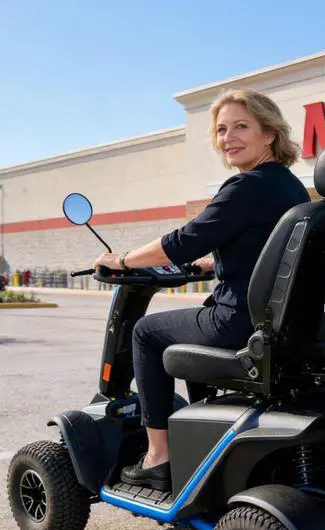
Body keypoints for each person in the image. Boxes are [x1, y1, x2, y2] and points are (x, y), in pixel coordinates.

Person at [92, 89, 310, 490]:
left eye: (241, 126)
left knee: (145, 332)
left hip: (239, 322)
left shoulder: (247, 186)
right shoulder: (291, 189)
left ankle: (158, 457)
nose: (228, 137)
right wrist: (213, 264)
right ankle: (205, 440)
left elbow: (183, 241)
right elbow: (269, 249)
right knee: (187, 328)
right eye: (222, 129)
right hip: (279, 325)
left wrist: (122, 260)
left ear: (269, 134)